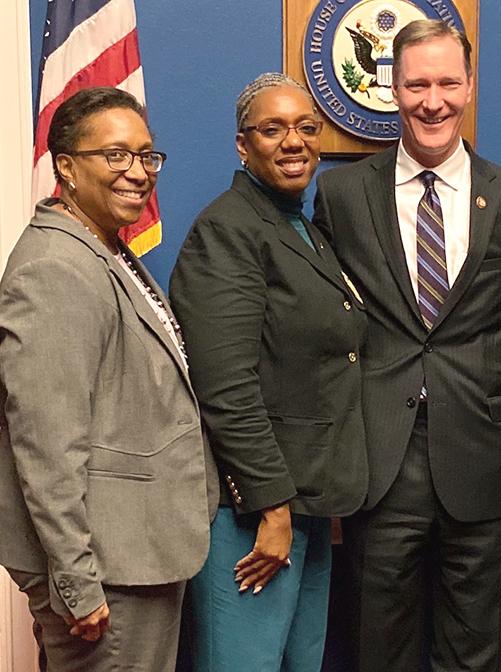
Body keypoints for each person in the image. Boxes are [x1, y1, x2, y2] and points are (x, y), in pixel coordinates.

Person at [312, 19, 501, 672]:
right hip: (380, 470)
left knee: (476, 657)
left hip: (485, 466)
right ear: (393, 88)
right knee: (377, 655)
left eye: (448, 82)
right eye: (417, 84)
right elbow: (324, 329)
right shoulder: (341, 195)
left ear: (469, 87)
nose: (433, 100)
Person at [0, 87, 214, 672]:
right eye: (115, 156)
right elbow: (46, 444)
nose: (137, 172)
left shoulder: (104, 250)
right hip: (105, 572)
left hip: (135, 553)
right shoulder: (54, 269)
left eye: (146, 156)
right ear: (65, 167)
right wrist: (76, 580)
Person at [169, 73, 367, 672]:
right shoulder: (227, 229)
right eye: (272, 128)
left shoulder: (301, 227)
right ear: (242, 145)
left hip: (307, 499)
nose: (293, 141)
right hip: (253, 514)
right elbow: (224, 386)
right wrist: (273, 509)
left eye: (307, 128)